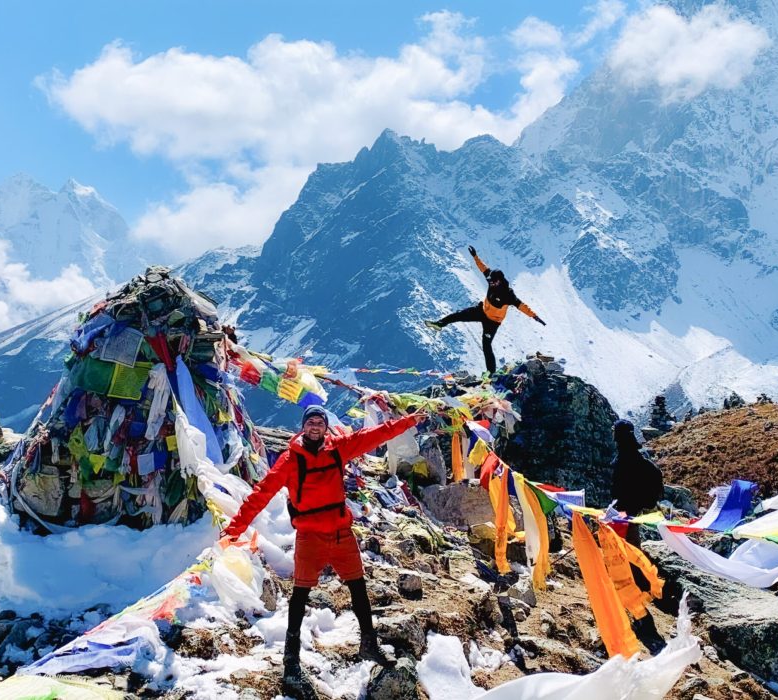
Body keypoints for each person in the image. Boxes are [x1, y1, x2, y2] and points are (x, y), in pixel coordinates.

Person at [221, 405, 425, 698]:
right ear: (303, 427)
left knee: (358, 587)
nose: (315, 426)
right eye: (310, 422)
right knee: (300, 594)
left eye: (320, 422)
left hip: (341, 532)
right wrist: (234, 529)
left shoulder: (338, 449)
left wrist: (408, 422)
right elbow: (261, 493)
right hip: (310, 535)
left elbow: (373, 436)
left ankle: (368, 643)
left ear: (325, 427)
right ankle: (291, 658)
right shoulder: (290, 460)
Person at [425, 246, 545, 374]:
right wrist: (475, 256)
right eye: (490, 281)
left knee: (486, 346)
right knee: (459, 315)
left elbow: (521, 306)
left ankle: (491, 374)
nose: (490, 283)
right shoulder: (491, 278)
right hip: (482, 310)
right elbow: (483, 268)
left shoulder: (508, 294)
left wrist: (534, 316)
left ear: (499, 281)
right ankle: (440, 324)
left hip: (493, 322)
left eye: (493, 282)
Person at [609, 419, 664, 545]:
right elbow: (656, 473)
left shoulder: (625, 457)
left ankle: (634, 563)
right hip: (631, 507)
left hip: (626, 508)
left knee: (628, 537)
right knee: (629, 535)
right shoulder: (636, 454)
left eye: (614, 431)